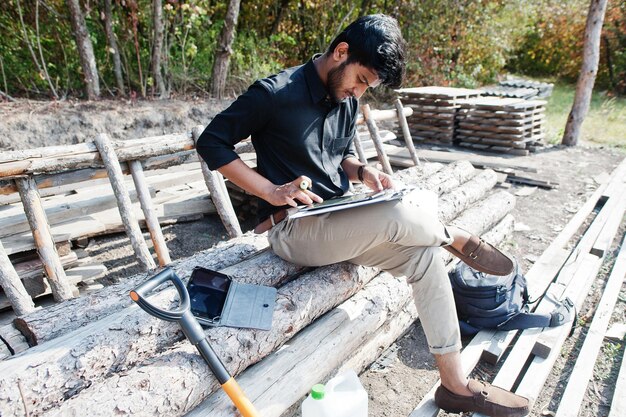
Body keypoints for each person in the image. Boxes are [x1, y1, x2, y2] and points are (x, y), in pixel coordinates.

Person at [197, 14, 528, 417]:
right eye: (362, 80)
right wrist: (270, 190)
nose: (360, 91)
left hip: (344, 219)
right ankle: (451, 234)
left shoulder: (347, 100)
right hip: (296, 231)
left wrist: (364, 172)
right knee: (403, 215)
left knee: (424, 258)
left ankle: (454, 384)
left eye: (368, 87)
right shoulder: (274, 93)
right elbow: (211, 142)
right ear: (341, 53)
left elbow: (339, 158)